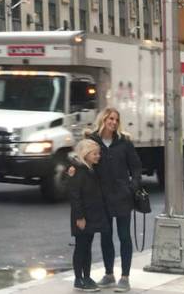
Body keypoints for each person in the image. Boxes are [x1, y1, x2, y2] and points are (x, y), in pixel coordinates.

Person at [86, 107, 142, 292]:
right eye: (110, 119)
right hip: (101, 196)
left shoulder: (124, 142)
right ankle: (109, 274)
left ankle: (125, 277)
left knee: (124, 236)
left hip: (122, 196)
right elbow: (83, 160)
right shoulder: (93, 140)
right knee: (106, 236)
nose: (113, 122)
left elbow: (135, 166)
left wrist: (133, 186)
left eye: (116, 120)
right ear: (103, 119)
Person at [68, 138, 109, 292]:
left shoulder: (91, 169)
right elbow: (75, 196)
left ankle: (87, 276)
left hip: (91, 215)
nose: (98, 156)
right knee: (81, 247)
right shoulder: (78, 171)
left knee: (87, 247)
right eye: (95, 153)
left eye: (98, 153)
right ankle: (78, 279)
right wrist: (79, 217)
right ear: (86, 154)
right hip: (82, 217)